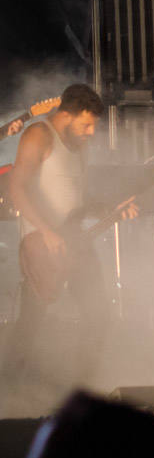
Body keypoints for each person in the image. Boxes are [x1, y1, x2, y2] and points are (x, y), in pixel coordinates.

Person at [2, 84, 136, 392]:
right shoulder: (39, 135)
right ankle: (8, 393)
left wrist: (111, 207)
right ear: (66, 114)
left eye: (93, 127)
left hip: (77, 242)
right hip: (42, 246)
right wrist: (47, 232)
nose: (90, 132)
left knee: (98, 316)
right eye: (85, 124)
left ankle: (81, 390)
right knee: (30, 325)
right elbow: (17, 189)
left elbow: (79, 198)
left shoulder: (79, 146)